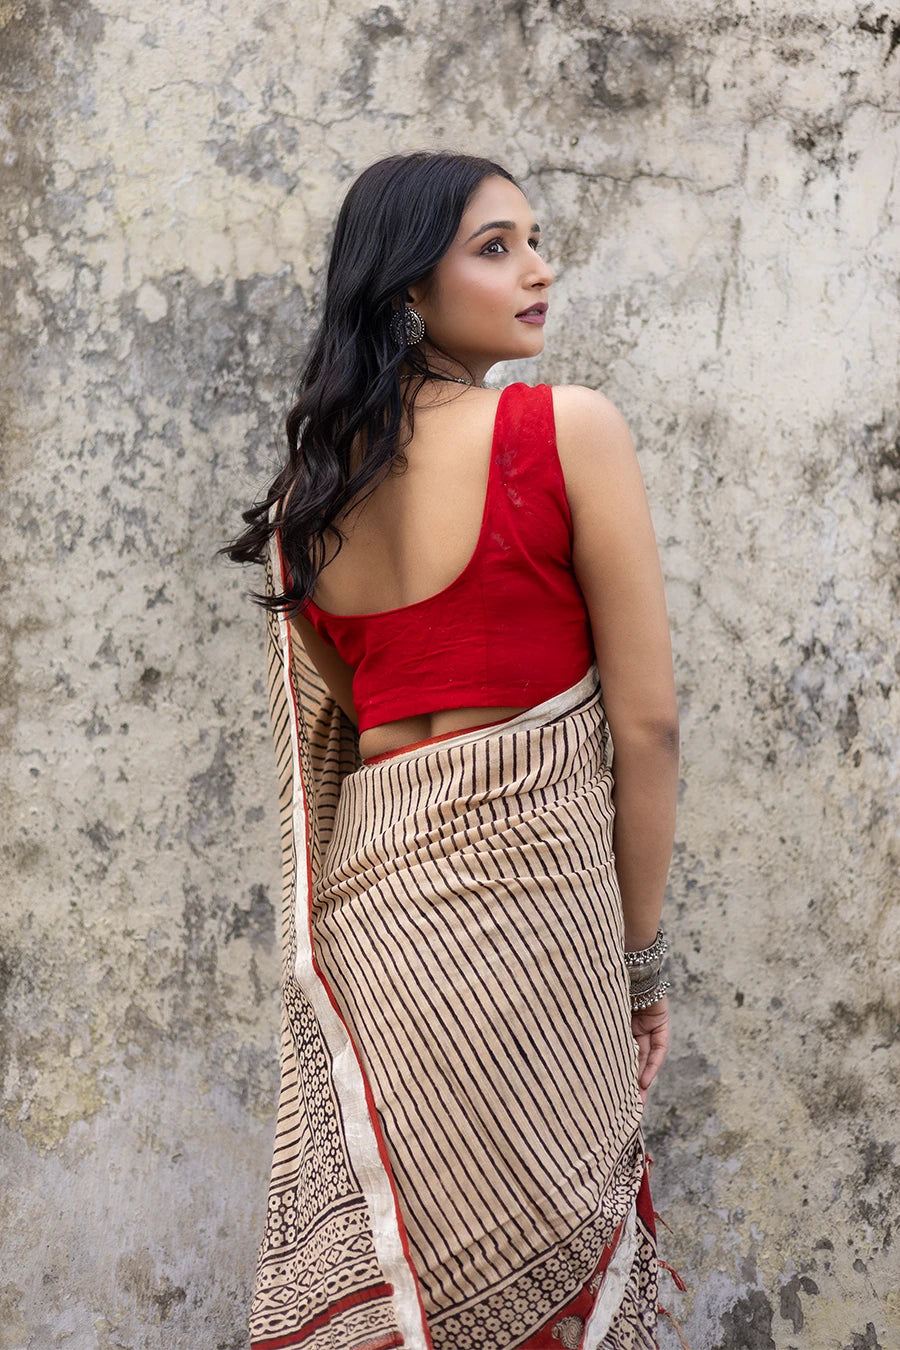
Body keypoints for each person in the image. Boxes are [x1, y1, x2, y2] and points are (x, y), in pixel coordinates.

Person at [226, 151, 679, 1350]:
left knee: (413, 1271)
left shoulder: (300, 512)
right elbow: (647, 726)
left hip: (384, 944)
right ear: (406, 292)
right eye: (496, 247)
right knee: (544, 1284)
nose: (539, 268)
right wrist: (637, 968)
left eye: (534, 239)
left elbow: (363, 712)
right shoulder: (562, 429)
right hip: (530, 938)